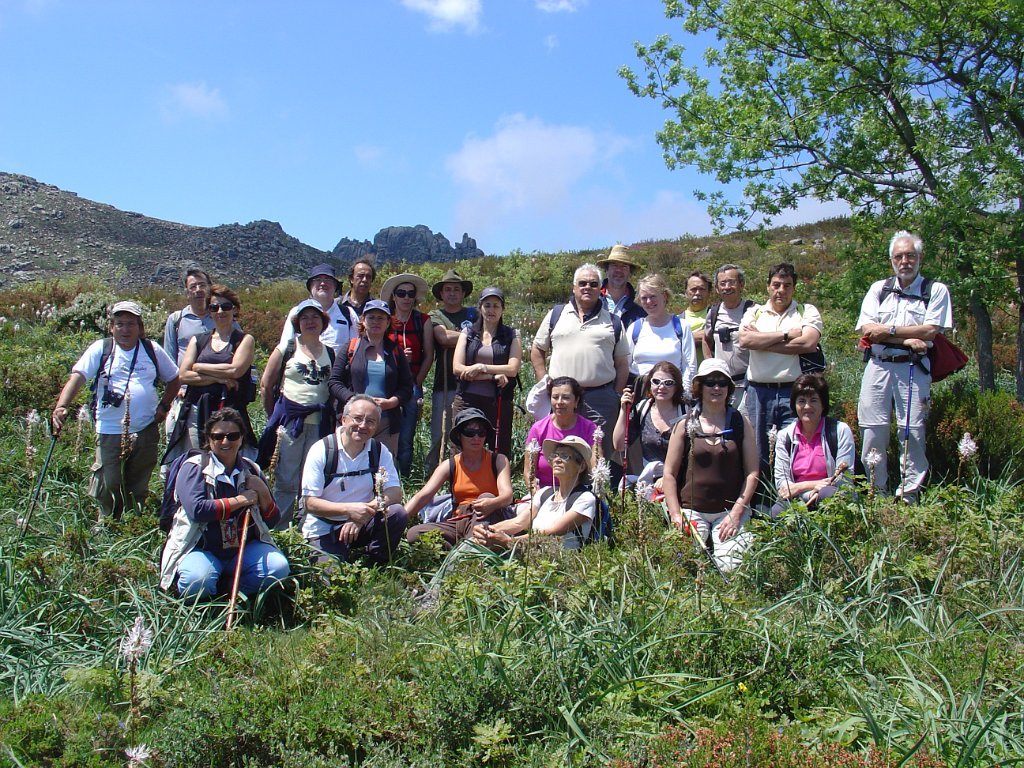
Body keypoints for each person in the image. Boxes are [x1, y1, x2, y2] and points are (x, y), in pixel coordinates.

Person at [52, 301, 180, 520]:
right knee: (108, 481)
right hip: (110, 429)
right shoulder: (101, 349)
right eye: (119, 324)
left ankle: (133, 523)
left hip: (145, 428)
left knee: (138, 481)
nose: (125, 329)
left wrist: (164, 406)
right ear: (111, 327)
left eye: (131, 324)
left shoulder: (151, 350)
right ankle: (108, 523)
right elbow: (79, 377)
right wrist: (62, 406)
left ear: (140, 328)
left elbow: (174, 378)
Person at [856, 230, 953, 503]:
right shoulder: (879, 289)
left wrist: (890, 330)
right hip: (877, 366)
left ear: (920, 257)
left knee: (912, 431)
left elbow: (931, 330)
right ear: (891, 260)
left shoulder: (935, 290)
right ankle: (878, 493)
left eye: (910, 255)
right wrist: (909, 338)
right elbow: (867, 330)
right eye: (899, 256)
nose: (905, 261)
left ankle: (909, 496)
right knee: (872, 430)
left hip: (913, 369)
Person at [160, 408, 289, 599]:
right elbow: (198, 510)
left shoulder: (251, 469)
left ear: (241, 438)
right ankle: (204, 605)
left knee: (278, 568)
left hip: (242, 549)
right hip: (201, 548)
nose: (225, 441)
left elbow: (271, 521)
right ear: (208, 439)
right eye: (218, 436)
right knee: (197, 580)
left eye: (232, 436)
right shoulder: (194, 468)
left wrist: (263, 492)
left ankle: (231, 595)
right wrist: (239, 501)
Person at [531, 263, 629, 481]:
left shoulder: (612, 321)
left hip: (601, 398)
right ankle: (561, 498)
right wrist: (544, 383)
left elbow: (622, 362)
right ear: (574, 287)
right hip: (562, 397)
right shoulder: (556, 314)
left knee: (598, 453)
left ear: (600, 288)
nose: (587, 287)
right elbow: (537, 350)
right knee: (562, 450)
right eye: (582, 283)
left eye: (593, 284)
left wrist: (616, 393)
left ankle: (596, 502)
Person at [662, 359, 759, 573]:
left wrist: (736, 514)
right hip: (692, 509)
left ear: (729, 388)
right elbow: (669, 474)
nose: (716, 388)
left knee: (732, 569)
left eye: (722, 383)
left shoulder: (741, 422)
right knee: (685, 567)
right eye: (710, 382)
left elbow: (752, 473)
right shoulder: (684, 424)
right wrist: (676, 515)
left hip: (730, 510)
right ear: (699, 387)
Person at [738, 262, 823, 483]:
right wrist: (787, 334)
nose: (781, 290)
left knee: (795, 445)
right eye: (776, 285)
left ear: (793, 288)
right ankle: (762, 502)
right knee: (758, 450)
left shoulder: (807, 311)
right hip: (758, 391)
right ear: (768, 287)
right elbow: (746, 340)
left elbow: (808, 343)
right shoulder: (754, 312)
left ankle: (792, 497)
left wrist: (763, 341)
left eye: (787, 285)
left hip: (794, 391)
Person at [300, 394, 408, 565]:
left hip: (363, 522)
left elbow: (394, 493)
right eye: (357, 418)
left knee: (397, 513)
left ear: (376, 426)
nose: (363, 425)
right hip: (324, 528)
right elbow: (309, 503)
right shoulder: (322, 450)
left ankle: (375, 564)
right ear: (343, 419)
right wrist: (348, 510)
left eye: (370, 421)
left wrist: (361, 515)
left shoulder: (379, 451)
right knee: (331, 580)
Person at [258, 299, 337, 527]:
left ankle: (305, 526)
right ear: (297, 322)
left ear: (323, 322)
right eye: (305, 318)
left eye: (315, 317)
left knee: (311, 477)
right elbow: (266, 384)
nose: (310, 322)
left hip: (319, 423)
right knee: (286, 478)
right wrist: (275, 415)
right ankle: (280, 528)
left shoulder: (330, 353)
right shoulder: (287, 349)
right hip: (291, 423)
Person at [166, 284, 257, 464]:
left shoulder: (244, 340)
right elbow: (183, 375)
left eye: (226, 306)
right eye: (214, 307)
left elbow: (235, 370)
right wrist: (219, 378)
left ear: (234, 309)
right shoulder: (198, 340)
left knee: (229, 462)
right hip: (197, 411)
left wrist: (198, 366)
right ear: (209, 311)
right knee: (199, 461)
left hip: (230, 412)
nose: (220, 311)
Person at [405, 409, 514, 548]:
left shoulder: (498, 460)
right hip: (458, 520)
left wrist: (492, 503)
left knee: (486, 497)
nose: (476, 438)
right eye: (469, 432)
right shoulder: (451, 464)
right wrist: (399, 518)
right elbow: (423, 496)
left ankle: (467, 551)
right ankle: (462, 550)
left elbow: (507, 495)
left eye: (481, 433)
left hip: (486, 517)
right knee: (414, 534)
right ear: (459, 435)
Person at [471, 436, 597, 551]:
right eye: (555, 455)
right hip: (529, 552)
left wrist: (510, 542)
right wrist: (487, 530)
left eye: (565, 456)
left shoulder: (585, 499)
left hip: (557, 562)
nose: (557, 460)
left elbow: (553, 532)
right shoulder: (544, 493)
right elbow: (518, 523)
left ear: (581, 467)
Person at [328, 299, 413, 456]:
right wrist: (355, 400)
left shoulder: (396, 352)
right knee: (349, 463)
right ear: (363, 321)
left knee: (382, 468)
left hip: (387, 422)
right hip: (353, 421)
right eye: (371, 317)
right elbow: (334, 382)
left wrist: (392, 402)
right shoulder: (350, 347)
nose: (376, 322)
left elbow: (407, 387)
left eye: (381, 318)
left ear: (388, 322)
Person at [453, 286, 522, 459]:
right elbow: (458, 368)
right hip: (466, 399)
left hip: (498, 401)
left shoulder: (511, 335)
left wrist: (480, 367)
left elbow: (512, 369)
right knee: (462, 446)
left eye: (496, 306)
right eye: (487, 305)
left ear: (502, 309)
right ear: (480, 308)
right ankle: (459, 483)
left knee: (499, 447)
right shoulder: (468, 333)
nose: (491, 310)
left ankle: (497, 483)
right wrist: (492, 376)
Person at [773, 374, 856, 516]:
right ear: (794, 404)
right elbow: (782, 483)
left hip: (830, 494)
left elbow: (844, 479)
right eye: (801, 401)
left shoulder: (840, 431)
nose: (807, 406)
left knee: (827, 495)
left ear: (823, 404)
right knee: (777, 511)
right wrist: (808, 487)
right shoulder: (785, 436)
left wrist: (805, 488)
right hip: (797, 498)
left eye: (814, 400)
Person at [380, 272, 434, 477]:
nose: (406, 298)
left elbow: (429, 355)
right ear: (393, 296)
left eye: (410, 294)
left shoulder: (423, 321)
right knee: (384, 432)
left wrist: (417, 382)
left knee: (406, 437)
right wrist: (399, 358)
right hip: (386, 386)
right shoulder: (385, 319)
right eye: (401, 293)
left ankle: (402, 478)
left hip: (411, 385)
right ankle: (382, 477)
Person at [426, 269, 477, 473]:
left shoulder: (473, 313)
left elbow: (485, 335)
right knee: (440, 431)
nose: (452, 293)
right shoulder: (436, 315)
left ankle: (461, 473)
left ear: (463, 293)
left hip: (471, 383)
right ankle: (431, 473)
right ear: (442, 294)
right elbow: (443, 338)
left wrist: (460, 336)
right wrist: (471, 335)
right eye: (448, 289)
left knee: (465, 430)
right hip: (444, 383)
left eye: (456, 289)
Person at [613, 360, 686, 492]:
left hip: (681, 480)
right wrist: (624, 411)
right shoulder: (642, 409)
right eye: (656, 382)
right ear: (649, 384)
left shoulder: (687, 412)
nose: (661, 387)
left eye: (668, 383)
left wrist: (667, 477)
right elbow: (619, 445)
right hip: (649, 483)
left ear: (677, 387)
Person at [625, 273, 696, 394]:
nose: (648, 301)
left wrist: (684, 396)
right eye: (644, 298)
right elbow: (625, 365)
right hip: (641, 396)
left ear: (664, 296)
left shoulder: (681, 327)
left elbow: (690, 366)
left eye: (653, 296)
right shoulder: (635, 328)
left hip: (673, 396)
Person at [523, 376, 598, 490]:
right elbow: (529, 472)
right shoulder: (538, 429)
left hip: (577, 491)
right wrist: (537, 495)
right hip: (543, 491)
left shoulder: (590, 428)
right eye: (555, 397)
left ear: (576, 401)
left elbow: (595, 466)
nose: (559, 402)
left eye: (566, 398)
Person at [703, 264, 756, 419]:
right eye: (722, 283)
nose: (727, 287)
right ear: (717, 289)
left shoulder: (753, 310)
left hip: (748, 385)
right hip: (722, 386)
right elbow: (706, 339)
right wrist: (711, 365)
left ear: (741, 284)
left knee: (747, 429)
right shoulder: (713, 313)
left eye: (731, 282)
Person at [278, 263, 358, 352]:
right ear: (310, 286)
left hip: (338, 366)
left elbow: (355, 349)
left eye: (328, 279)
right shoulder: (296, 312)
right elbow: (285, 345)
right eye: (318, 280)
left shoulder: (348, 313)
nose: (323, 283)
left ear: (335, 286)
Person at [597, 244, 646, 328]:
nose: (619, 270)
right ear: (606, 269)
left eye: (624, 266)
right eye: (614, 265)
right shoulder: (593, 299)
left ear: (630, 272)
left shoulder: (641, 303)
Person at [683, 271, 712, 365]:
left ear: (709, 292)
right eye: (693, 289)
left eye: (702, 289)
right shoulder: (677, 320)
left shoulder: (717, 314)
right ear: (686, 292)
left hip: (711, 374)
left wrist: (684, 338)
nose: (698, 293)